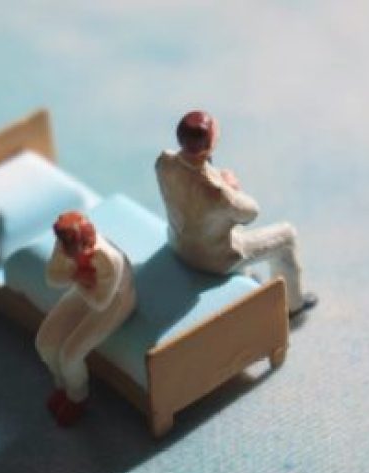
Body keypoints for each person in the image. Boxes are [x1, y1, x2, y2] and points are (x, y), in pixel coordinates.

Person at [155, 110, 317, 316]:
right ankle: (292, 304)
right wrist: (231, 186)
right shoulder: (219, 193)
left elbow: (189, 184)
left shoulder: (164, 163)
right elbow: (250, 213)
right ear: (209, 145)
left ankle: (245, 276)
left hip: (178, 244)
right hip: (212, 260)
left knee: (222, 223)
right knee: (286, 235)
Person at [35, 211, 137, 426]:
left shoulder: (108, 259)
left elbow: (100, 303)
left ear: (87, 243)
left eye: (76, 251)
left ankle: (77, 397)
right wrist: (78, 277)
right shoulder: (64, 246)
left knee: (70, 354)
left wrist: (75, 278)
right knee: (44, 342)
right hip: (86, 289)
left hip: (115, 300)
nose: (68, 254)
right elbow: (51, 278)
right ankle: (62, 385)